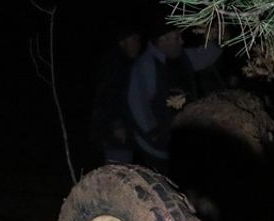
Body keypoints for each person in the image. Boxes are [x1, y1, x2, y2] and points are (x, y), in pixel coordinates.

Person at [127, 21, 221, 172]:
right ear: (163, 40)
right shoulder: (146, 65)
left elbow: (206, 56)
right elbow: (137, 103)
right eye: (177, 37)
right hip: (157, 149)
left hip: (183, 142)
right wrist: (154, 133)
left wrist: (217, 38)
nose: (182, 41)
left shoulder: (183, 57)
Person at [90, 25, 143, 165]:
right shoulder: (114, 63)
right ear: (122, 41)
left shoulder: (127, 63)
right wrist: (116, 125)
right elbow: (108, 95)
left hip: (123, 130)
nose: (138, 43)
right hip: (114, 133)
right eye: (134, 39)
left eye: (139, 39)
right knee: (119, 172)